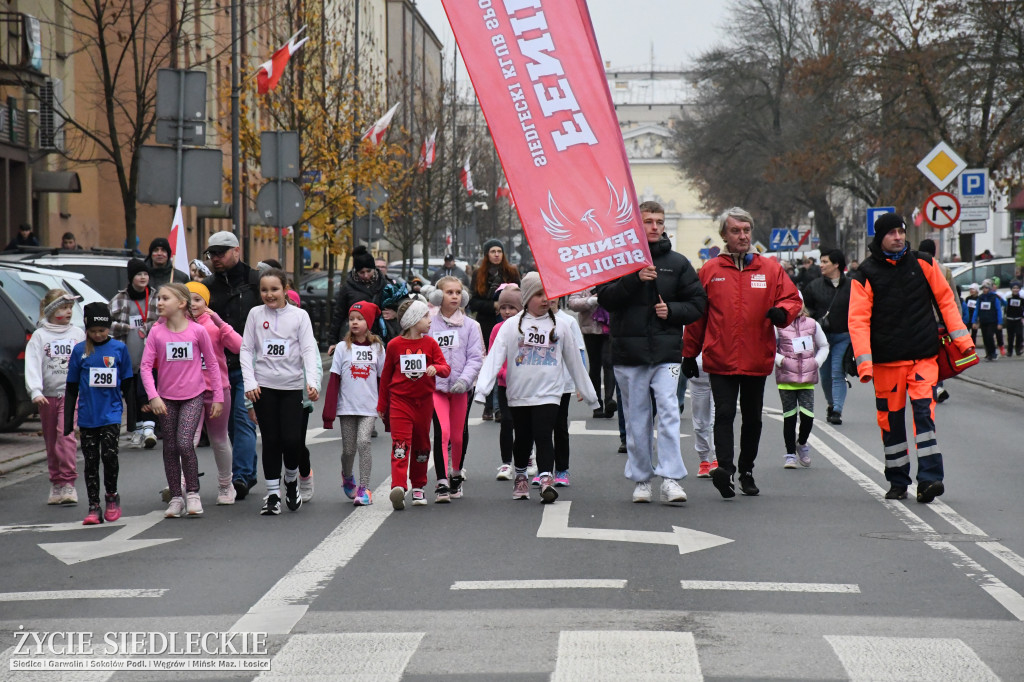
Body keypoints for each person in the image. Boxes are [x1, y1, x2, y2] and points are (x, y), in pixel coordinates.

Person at [848, 212, 974, 503]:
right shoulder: (865, 273)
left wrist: (963, 341)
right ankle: (898, 480)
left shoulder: (924, 263)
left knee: (924, 416)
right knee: (891, 423)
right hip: (886, 363)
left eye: (901, 232)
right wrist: (864, 364)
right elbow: (858, 320)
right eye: (891, 233)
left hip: (922, 358)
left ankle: (930, 479)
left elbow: (946, 302)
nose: (898, 237)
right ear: (880, 238)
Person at [682, 206, 802, 499]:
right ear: (724, 234)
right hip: (720, 357)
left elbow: (792, 299)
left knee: (752, 418)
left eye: (746, 230)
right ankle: (725, 470)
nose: (742, 236)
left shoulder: (770, 268)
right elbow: (699, 315)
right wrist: (689, 353)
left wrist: (781, 312)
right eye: (735, 231)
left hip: (756, 356)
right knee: (722, 413)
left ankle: (746, 470)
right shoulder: (711, 270)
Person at [597, 200, 706, 505]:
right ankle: (642, 479)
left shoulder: (677, 262)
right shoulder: (617, 261)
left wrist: (671, 310)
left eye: (659, 221)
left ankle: (670, 478)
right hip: (628, 354)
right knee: (637, 418)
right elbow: (605, 298)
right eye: (648, 221)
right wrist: (634, 279)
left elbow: (698, 303)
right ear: (636, 225)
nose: (655, 227)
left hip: (666, 353)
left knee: (670, 411)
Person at [476, 273, 598, 503]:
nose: (545, 299)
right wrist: (482, 391)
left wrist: (590, 396)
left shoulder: (560, 326)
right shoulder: (511, 326)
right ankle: (521, 474)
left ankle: (545, 479)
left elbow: (574, 362)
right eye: (539, 294)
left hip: (550, 393)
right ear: (527, 297)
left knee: (544, 435)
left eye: (548, 294)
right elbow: (494, 358)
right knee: (522, 438)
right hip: (519, 393)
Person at [241, 268, 321, 515]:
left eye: (274, 289)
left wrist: (314, 382)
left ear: (285, 289)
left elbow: (308, 350)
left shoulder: (299, 316)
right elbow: (246, 349)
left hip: (292, 387)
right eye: (264, 290)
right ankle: (273, 494)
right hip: (264, 387)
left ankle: (291, 480)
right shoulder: (255, 314)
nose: (269, 294)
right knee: (271, 441)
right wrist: (250, 383)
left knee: (292, 440)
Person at [141, 283, 222, 518]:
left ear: (181, 303)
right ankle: (176, 497)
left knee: (185, 443)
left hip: (193, 396)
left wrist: (217, 396)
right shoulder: (156, 332)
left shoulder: (198, 331)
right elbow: (146, 367)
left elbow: (213, 363)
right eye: (158, 298)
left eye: (165, 298)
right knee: (170, 447)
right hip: (165, 399)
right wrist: (153, 396)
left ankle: (193, 493)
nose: (159, 302)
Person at [201, 231, 262, 500]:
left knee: (242, 420)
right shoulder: (207, 286)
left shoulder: (256, 281)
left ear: (237, 250)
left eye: (221, 252)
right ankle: (245, 474)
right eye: (211, 253)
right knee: (228, 428)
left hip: (251, 363)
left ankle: (241, 477)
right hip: (218, 366)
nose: (215, 258)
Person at [63, 302, 136, 525]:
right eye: (93, 331)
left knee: (110, 456)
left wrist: (132, 419)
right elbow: (72, 387)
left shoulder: (118, 349)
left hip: (111, 413)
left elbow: (129, 384)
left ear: (109, 328)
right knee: (91, 461)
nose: (97, 334)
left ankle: (111, 496)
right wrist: (68, 421)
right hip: (88, 416)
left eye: (102, 331)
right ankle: (94, 505)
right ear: (86, 329)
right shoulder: (79, 351)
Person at [377, 300, 451, 510]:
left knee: (421, 445)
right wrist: (382, 404)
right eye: (425, 317)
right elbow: (385, 378)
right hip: (400, 402)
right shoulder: (394, 346)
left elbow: (446, 368)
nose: (430, 321)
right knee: (400, 445)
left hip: (424, 403)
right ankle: (398, 486)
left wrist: (435, 368)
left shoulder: (430, 344)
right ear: (412, 320)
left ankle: (418, 486)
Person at [322, 301, 386, 506]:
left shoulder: (377, 348)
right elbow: (334, 380)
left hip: (369, 407)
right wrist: (329, 413)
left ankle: (364, 488)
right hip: (347, 407)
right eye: (351, 319)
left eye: (360, 319)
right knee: (348, 450)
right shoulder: (342, 348)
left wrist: (385, 407)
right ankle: (347, 475)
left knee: (363, 443)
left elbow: (382, 380)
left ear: (369, 322)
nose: (355, 323)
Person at [25, 290, 85, 505]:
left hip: (70, 395)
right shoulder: (40, 336)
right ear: (51, 310)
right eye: (63, 308)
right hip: (47, 397)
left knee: (65, 435)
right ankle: (56, 483)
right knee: (51, 441)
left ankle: (69, 482)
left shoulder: (78, 334)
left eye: (70, 308)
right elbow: (32, 363)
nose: (68, 312)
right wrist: (36, 390)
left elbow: (85, 360)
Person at [428, 276, 484, 502]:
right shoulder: (428, 323)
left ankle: (456, 474)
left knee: (458, 437)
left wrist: (465, 380)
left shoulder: (472, 326)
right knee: (443, 433)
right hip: (437, 389)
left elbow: (476, 357)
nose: (454, 296)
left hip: (461, 389)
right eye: (449, 292)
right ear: (438, 297)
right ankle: (442, 481)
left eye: (458, 292)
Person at [186, 281, 243, 505]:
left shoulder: (213, 325)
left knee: (220, 440)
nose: (193, 304)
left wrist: (220, 322)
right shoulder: (178, 325)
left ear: (206, 303)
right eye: (188, 299)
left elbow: (239, 346)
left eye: (198, 299)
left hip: (217, 391)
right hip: (189, 392)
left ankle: (226, 485)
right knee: (188, 440)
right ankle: (183, 483)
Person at [467, 238, 521, 421]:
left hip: (510, 322)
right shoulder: (479, 274)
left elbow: (520, 297)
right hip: (487, 323)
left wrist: (507, 306)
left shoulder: (511, 272)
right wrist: (494, 305)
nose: (497, 254)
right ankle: (489, 405)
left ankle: (503, 404)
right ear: (486, 255)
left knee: (506, 362)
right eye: (493, 251)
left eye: (499, 251)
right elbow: (473, 302)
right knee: (489, 361)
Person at [109, 258, 159, 448]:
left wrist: (147, 327)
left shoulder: (155, 296)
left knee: (147, 391)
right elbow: (106, 324)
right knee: (130, 394)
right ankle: (137, 429)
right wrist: (126, 327)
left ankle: (149, 429)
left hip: (150, 356)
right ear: (131, 278)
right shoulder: (120, 299)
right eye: (139, 274)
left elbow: (163, 320)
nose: (143, 277)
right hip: (127, 356)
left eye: (145, 274)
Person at [774, 305, 829, 468]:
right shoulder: (778, 326)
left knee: (807, 416)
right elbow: (769, 347)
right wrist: (780, 360)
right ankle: (790, 454)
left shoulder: (812, 324)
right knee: (789, 417)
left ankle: (802, 443)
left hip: (807, 379)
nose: (795, 308)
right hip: (786, 378)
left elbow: (824, 345)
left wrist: (816, 362)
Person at [800, 249, 851, 425]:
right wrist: (813, 317)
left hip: (844, 336)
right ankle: (831, 403)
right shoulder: (814, 286)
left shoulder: (852, 286)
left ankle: (837, 409)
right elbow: (805, 309)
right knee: (826, 375)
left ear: (836, 264)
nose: (821, 265)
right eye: (821, 262)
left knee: (838, 371)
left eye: (825, 262)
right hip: (821, 339)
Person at [329, 245, 404, 351]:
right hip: (356, 337)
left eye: (369, 271)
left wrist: (395, 314)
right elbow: (339, 314)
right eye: (361, 272)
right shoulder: (348, 287)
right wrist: (333, 342)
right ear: (356, 271)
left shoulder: (386, 285)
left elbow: (403, 304)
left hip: (382, 335)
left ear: (374, 269)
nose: (366, 275)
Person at [489, 284, 523, 481]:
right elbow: (494, 354)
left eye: (511, 308)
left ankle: (527, 458)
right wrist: (502, 373)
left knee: (525, 425)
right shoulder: (497, 329)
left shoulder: (526, 327)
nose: (507, 312)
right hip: (504, 385)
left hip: (525, 384)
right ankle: (505, 463)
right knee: (507, 422)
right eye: (503, 307)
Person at [567, 287, 616, 418]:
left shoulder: (611, 280)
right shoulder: (582, 282)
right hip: (590, 329)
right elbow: (572, 303)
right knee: (595, 365)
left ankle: (609, 400)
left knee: (608, 362)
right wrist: (592, 300)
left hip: (609, 327)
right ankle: (597, 404)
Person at [687, 352, 717, 477]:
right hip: (697, 377)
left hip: (720, 376)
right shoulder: (691, 330)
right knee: (699, 422)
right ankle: (704, 460)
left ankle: (717, 459)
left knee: (716, 421)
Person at [972, 279, 1004, 361]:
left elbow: (998, 310)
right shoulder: (980, 298)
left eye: (986, 288)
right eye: (983, 288)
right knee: (985, 338)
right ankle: (988, 354)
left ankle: (993, 353)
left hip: (992, 321)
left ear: (989, 288)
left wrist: (1000, 322)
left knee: (990, 336)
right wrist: (974, 321)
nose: (984, 290)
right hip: (983, 321)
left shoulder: (994, 297)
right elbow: (977, 310)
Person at [1004, 281, 1023, 356]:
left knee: (1019, 335)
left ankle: (1018, 349)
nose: (1015, 290)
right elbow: (1005, 308)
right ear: (1011, 289)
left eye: (1017, 288)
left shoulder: (1021, 299)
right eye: (1014, 288)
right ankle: (1010, 351)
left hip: (1018, 319)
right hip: (1009, 319)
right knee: (1010, 336)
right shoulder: (1008, 298)